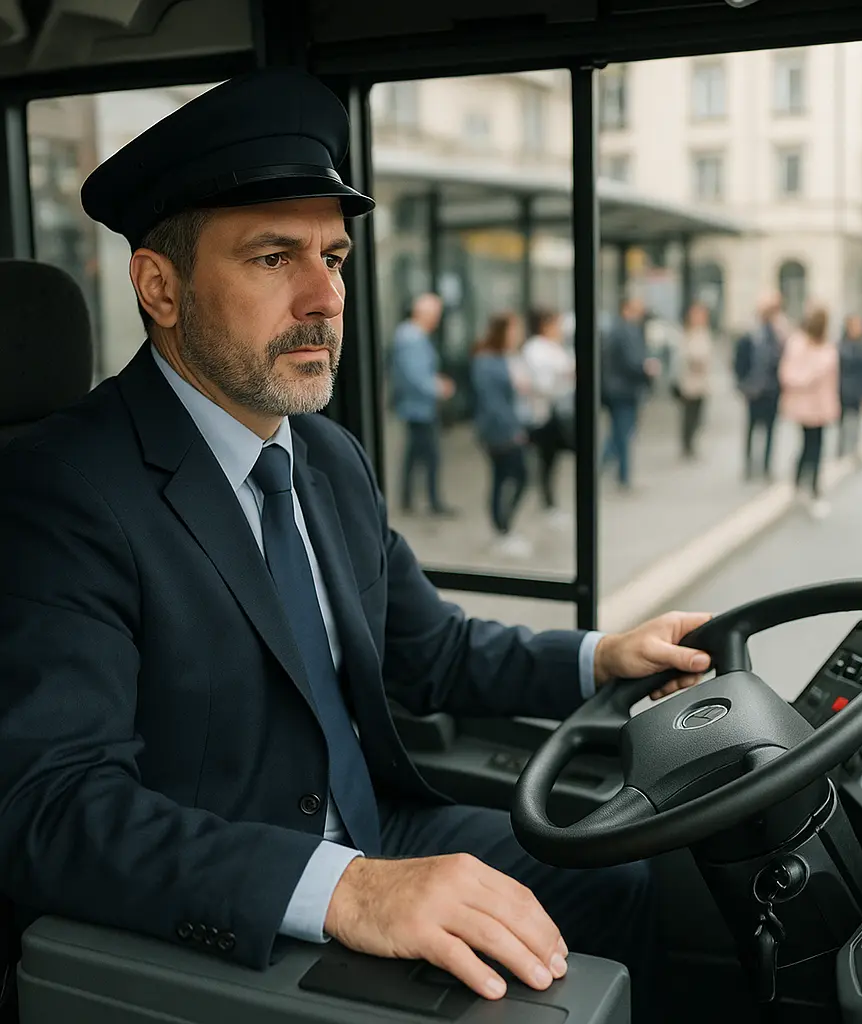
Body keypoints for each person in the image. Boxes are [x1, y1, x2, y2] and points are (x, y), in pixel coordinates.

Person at [0, 70, 717, 1023]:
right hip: (227, 913)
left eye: (333, 258)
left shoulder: (327, 458)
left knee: (629, 884)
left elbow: (431, 651)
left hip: (380, 827)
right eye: (272, 258)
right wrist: (345, 890)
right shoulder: (64, 490)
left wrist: (603, 657)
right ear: (159, 287)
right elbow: (54, 809)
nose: (324, 297)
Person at [471, 313, 534, 557]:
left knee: (504, 478)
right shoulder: (486, 361)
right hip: (499, 432)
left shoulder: (507, 357)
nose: (517, 336)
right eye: (513, 330)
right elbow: (492, 402)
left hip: (510, 426)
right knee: (515, 477)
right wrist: (513, 431)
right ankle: (502, 528)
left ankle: (503, 528)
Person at [389, 293, 457, 516]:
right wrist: (438, 387)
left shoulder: (412, 335)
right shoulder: (412, 338)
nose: (437, 320)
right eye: (435, 315)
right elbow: (415, 375)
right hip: (418, 407)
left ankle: (409, 499)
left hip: (417, 406)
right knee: (429, 456)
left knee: (415, 455)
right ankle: (433, 501)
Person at [779, 305, 840, 519]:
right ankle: (805, 486)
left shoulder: (825, 346)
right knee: (809, 447)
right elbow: (791, 374)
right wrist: (811, 376)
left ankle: (808, 486)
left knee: (815, 447)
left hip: (820, 406)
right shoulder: (799, 345)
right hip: (805, 406)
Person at [521, 308, 575, 525]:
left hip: (558, 411)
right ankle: (548, 504)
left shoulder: (555, 347)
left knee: (552, 461)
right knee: (546, 461)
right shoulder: (535, 349)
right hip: (544, 414)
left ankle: (550, 503)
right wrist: (562, 376)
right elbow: (541, 384)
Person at [601, 296, 659, 490]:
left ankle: (611, 471)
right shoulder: (626, 331)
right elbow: (633, 361)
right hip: (624, 390)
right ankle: (618, 475)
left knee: (619, 434)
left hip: (618, 390)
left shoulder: (619, 330)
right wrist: (647, 367)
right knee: (622, 434)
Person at [733, 291, 784, 482]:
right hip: (754, 388)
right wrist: (742, 384)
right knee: (752, 428)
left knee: (770, 430)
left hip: (772, 389)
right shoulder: (751, 334)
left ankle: (766, 466)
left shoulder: (779, 332)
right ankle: (748, 465)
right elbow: (740, 360)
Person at [673, 302, 714, 460]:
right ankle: (686, 444)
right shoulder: (687, 334)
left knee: (698, 416)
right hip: (690, 382)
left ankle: (692, 443)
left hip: (702, 383)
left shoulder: (704, 333)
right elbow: (686, 356)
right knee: (688, 416)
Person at [837, 314, 862, 462]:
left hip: (856, 390)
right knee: (843, 422)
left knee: (855, 422)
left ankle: (853, 450)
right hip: (843, 390)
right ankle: (842, 451)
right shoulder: (841, 347)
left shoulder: (861, 347)